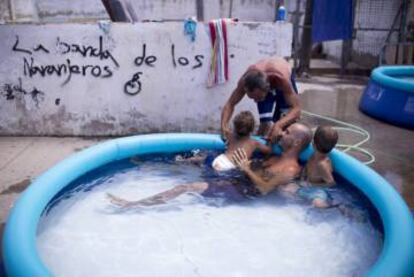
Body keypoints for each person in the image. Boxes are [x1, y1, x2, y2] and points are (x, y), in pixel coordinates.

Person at [107, 123, 312, 208]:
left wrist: (246, 167)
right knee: (197, 162)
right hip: (236, 177)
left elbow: (265, 188)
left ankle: (133, 205)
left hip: (242, 190)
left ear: (295, 143)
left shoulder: (290, 168)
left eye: (287, 133)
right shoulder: (277, 157)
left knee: (185, 187)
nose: (281, 133)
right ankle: (148, 166)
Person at [221, 57, 301, 144]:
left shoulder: (282, 80)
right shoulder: (244, 81)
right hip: (262, 81)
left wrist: (278, 125)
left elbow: (296, 110)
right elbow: (230, 104)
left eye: (258, 98)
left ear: (266, 89)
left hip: (279, 77)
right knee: (265, 123)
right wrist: (224, 126)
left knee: (286, 123)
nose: (255, 101)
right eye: (252, 98)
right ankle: (258, 150)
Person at [178, 111, 272, 171]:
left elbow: (225, 131)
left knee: (204, 158)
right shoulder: (254, 143)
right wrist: (272, 140)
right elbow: (268, 150)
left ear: (235, 128)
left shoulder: (231, 136)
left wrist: (225, 127)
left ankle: (185, 160)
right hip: (229, 166)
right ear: (252, 130)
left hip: (219, 159)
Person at [282, 125, 339, 208]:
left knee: (318, 204)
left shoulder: (322, 165)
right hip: (305, 186)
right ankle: (297, 205)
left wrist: (311, 184)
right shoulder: (313, 155)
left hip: (318, 191)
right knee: (285, 190)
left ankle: (337, 207)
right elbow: (307, 167)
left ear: (313, 144)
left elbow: (331, 183)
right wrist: (301, 176)